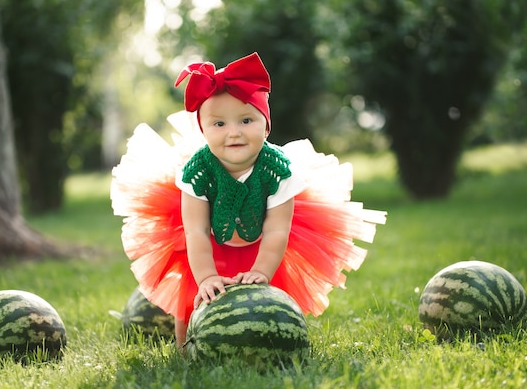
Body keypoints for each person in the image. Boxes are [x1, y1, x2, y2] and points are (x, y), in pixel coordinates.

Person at [111, 52, 386, 347]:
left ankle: (275, 340)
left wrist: (261, 270)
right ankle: (186, 350)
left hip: (263, 247)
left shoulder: (277, 170)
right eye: (219, 124)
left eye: (246, 120)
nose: (234, 133)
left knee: (269, 299)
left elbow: (277, 230)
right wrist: (205, 277)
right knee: (192, 299)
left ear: (265, 125)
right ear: (203, 131)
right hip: (209, 245)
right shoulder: (198, 171)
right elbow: (196, 231)